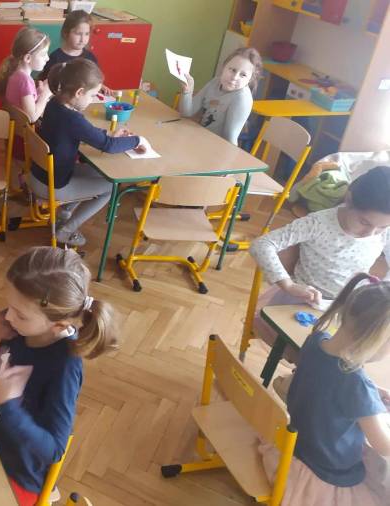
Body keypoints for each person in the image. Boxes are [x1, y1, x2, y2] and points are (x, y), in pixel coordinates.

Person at [0, 246, 118, 506]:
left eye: (19, 314)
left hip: (17, 474)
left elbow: (54, 449)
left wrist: (9, 407)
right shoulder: (24, 322)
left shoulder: (65, 366)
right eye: (9, 306)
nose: (8, 316)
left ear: (59, 325)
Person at [259, 274, 390, 505]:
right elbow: (384, 445)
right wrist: (369, 396)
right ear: (377, 339)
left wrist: (372, 392)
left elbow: (330, 381)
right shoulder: (356, 386)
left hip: (294, 444)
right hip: (326, 471)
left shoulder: (316, 340)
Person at [249, 166, 390, 355]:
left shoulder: (383, 230)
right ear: (349, 200)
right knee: (316, 356)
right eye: (364, 222)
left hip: (347, 309)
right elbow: (261, 244)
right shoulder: (318, 223)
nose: (370, 233)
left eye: (382, 227)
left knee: (361, 353)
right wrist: (288, 285)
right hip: (302, 303)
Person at [35, 59, 150, 247]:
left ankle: (64, 213)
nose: (92, 100)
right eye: (92, 95)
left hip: (41, 174)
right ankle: (66, 230)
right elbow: (108, 146)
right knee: (111, 187)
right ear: (79, 92)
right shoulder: (73, 118)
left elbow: (88, 133)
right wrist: (138, 140)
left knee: (98, 172)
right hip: (54, 183)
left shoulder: (54, 104)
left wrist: (108, 134)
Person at [177, 47, 262, 145]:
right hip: (199, 139)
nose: (234, 77)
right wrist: (188, 91)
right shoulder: (215, 82)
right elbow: (186, 113)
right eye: (232, 70)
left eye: (243, 75)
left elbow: (229, 140)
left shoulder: (242, 99)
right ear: (224, 67)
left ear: (250, 80)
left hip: (216, 147)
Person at [0, 27, 52, 123]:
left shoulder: (15, 73)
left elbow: (21, 102)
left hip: (13, 126)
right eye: (43, 54)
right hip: (22, 130)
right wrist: (45, 95)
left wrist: (38, 93)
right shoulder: (25, 81)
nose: (47, 58)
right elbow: (32, 117)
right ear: (27, 58)